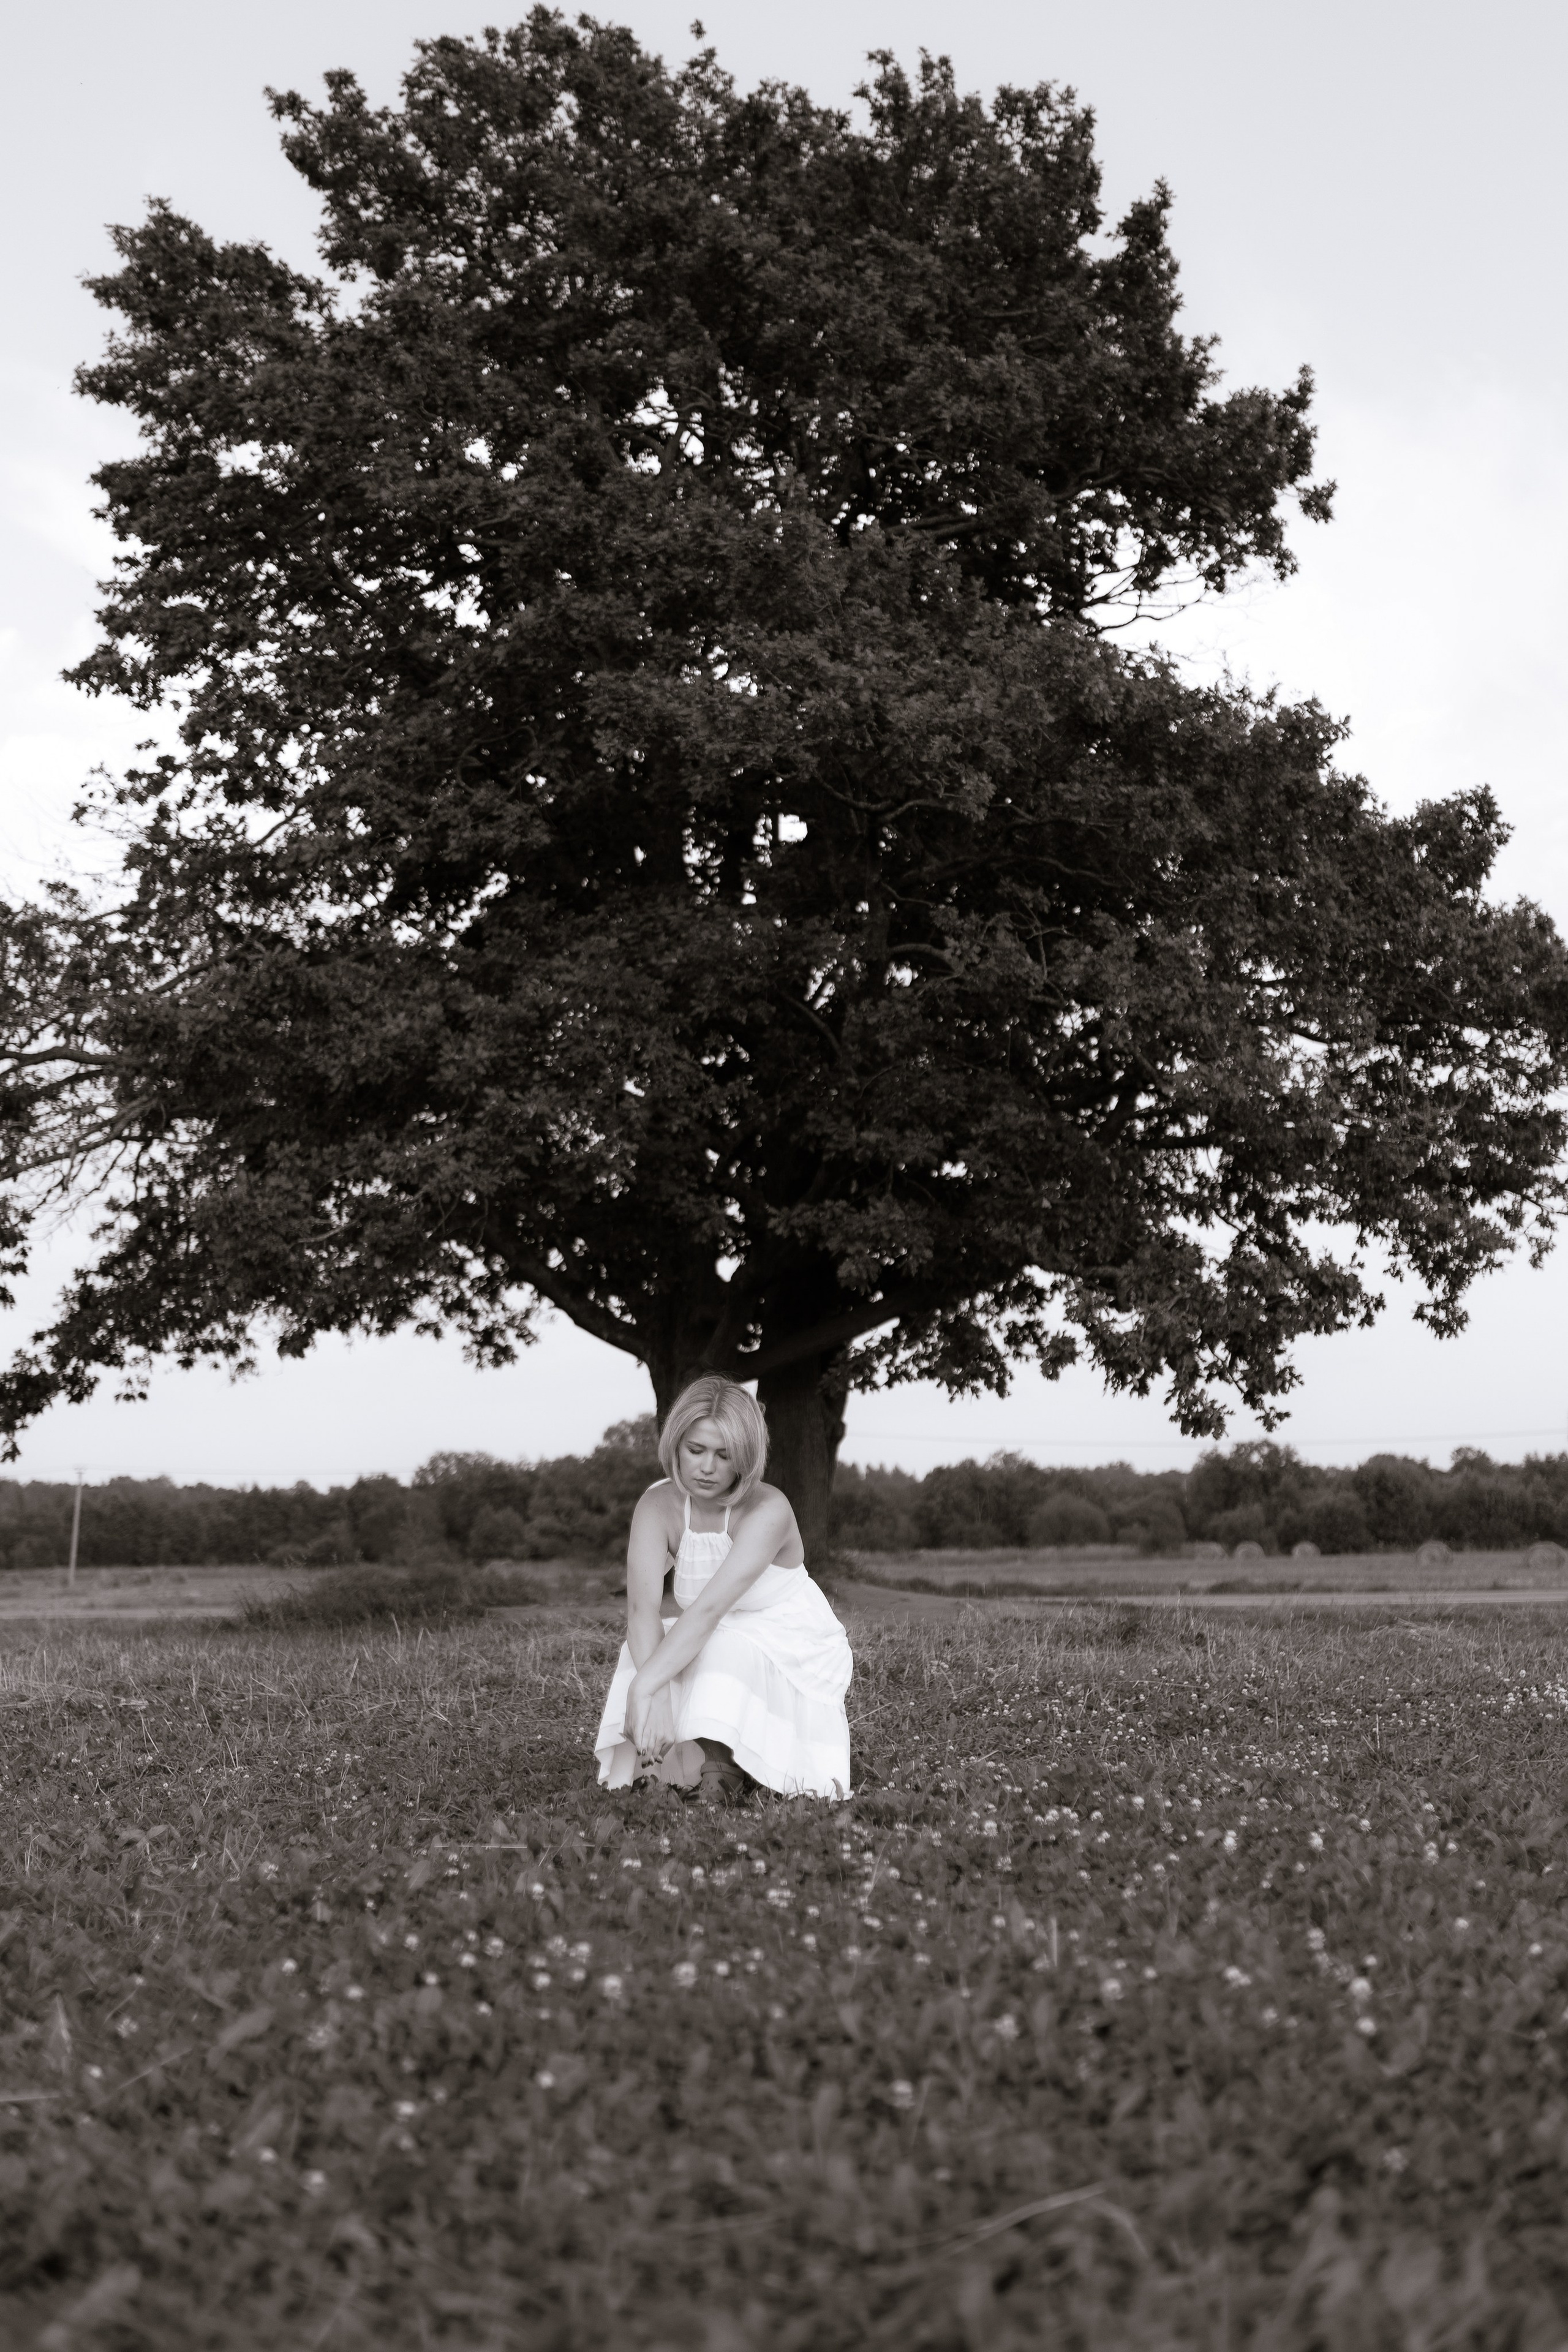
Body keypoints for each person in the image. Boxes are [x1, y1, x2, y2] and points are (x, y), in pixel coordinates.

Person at [592, 1376, 853, 1803]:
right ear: (676, 1444)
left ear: (745, 1458)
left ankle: (724, 1772)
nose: (707, 1467)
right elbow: (642, 1611)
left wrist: (647, 1686)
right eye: (695, 1451)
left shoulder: (768, 1510)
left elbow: (710, 1611)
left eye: (724, 1455)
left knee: (715, 1643)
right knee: (644, 1650)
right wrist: (650, 1685)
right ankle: (667, 1768)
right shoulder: (657, 1505)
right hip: (715, 1629)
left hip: (788, 1642)